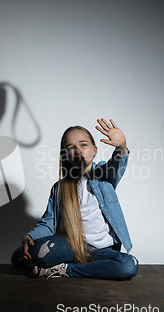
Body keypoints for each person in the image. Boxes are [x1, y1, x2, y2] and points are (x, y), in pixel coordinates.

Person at [12, 119, 138, 280]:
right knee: (38, 251)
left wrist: (121, 146)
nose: (78, 150)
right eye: (71, 148)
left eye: (83, 145)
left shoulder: (104, 176)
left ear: (94, 150)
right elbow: (49, 222)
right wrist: (30, 236)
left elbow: (118, 163)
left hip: (104, 250)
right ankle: (31, 253)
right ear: (66, 155)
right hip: (72, 246)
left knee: (128, 265)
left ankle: (65, 269)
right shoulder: (59, 188)